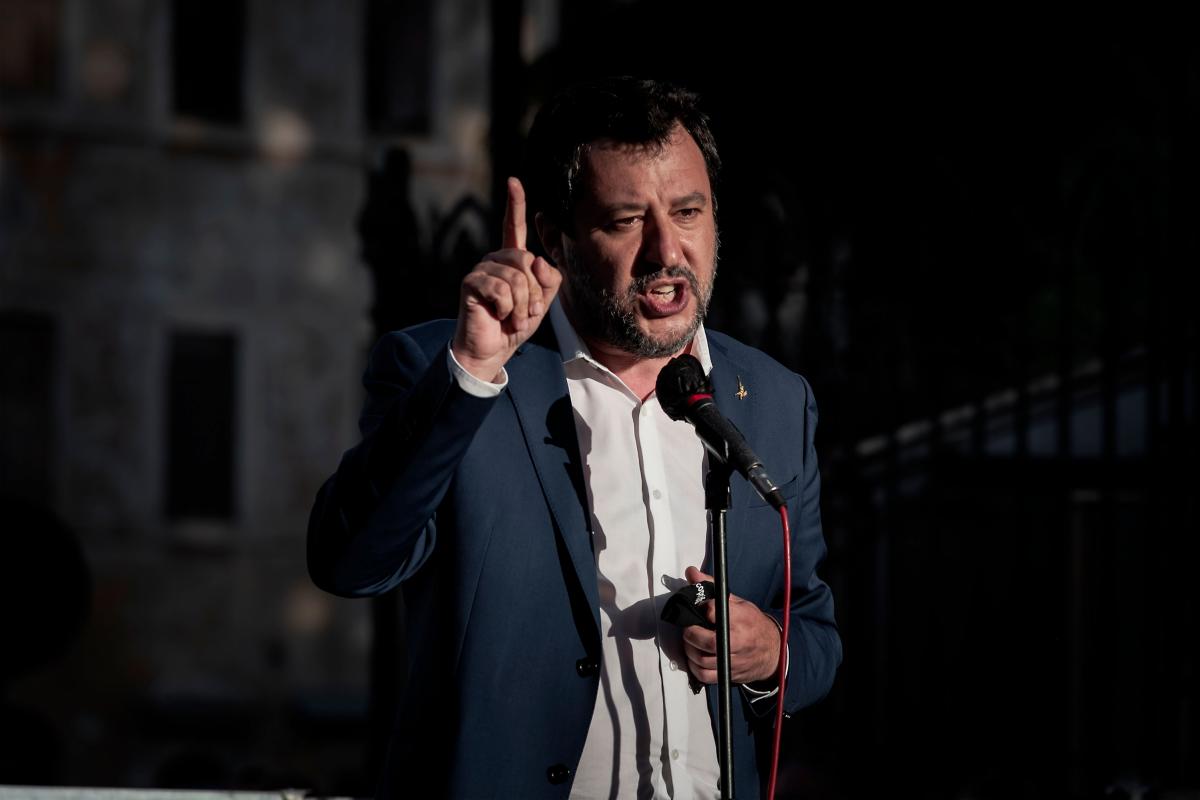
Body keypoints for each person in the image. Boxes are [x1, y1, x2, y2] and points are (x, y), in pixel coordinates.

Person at [308, 77, 840, 799]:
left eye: (688, 211)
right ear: (556, 238)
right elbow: (349, 563)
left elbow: (816, 633)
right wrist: (469, 375)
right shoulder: (449, 371)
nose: (666, 250)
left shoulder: (775, 399)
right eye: (626, 220)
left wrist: (770, 651)